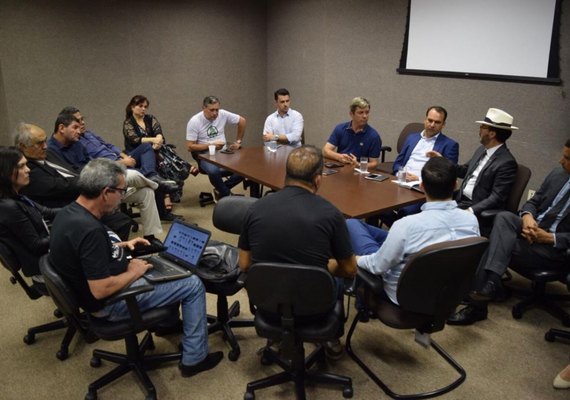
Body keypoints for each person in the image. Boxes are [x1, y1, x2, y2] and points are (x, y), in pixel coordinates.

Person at [48, 158, 223, 377]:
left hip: (91, 291)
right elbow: (100, 289)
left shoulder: (69, 213)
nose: (123, 197)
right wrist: (133, 272)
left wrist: (122, 245)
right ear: (105, 192)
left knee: (163, 268)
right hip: (108, 305)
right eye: (122, 191)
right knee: (192, 284)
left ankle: (166, 324)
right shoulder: (89, 230)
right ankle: (195, 359)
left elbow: (83, 251)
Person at [238, 145, 356, 358]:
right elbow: (349, 269)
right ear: (318, 179)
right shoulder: (331, 214)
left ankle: (276, 336)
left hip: (268, 304)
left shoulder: (255, 208)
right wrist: (325, 265)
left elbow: (244, 265)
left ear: (286, 175)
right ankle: (331, 337)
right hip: (316, 309)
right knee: (336, 279)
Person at [448, 140, 570, 325]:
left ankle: (479, 303)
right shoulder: (558, 174)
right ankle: (490, 286)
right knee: (504, 217)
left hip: (554, 250)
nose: (561, 161)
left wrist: (550, 238)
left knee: (494, 243)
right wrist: (528, 216)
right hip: (532, 230)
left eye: (567, 158)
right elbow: (534, 201)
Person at [347, 157, 480, 305]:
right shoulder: (471, 221)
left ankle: (363, 301)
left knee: (351, 224)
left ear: (422, 186)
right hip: (446, 294)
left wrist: (355, 259)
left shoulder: (406, 226)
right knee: (362, 228)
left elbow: (376, 266)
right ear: (455, 186)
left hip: (402, 295)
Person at [59, 106, 183, 222]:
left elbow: (108, 145)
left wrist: (124, 156)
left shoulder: (89, 133)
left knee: (146, 147)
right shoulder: (76, 144)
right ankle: (156, 182)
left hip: (120, 158)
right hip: (110, 169)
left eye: (82, 119)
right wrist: (121, 162)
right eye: (78, 121)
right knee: (148, 181)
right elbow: (95, 165)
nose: (82, 123)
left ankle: (152, 177)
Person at [15, 122, 130, 241]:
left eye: (45, 141)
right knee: (119, 221)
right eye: (39, 143)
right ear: (23, 146)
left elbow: (74, 168)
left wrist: (92, 175)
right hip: (68, 208)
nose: (45, 146)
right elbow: (61, 187)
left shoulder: (49, 154)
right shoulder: (25, 169)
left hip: (83, 196)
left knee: (123, 212)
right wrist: (92, 180)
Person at [439, 108, 518, 236]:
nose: (479, 130)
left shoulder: (506, 163)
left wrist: (470, 210)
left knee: (436, 226)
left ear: (492, 134)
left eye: (482, 127)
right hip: (460, 200)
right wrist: (442, 161)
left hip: (476, 208)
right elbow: (465, 171)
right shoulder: (482, 149)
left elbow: (496, 198)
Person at [382, 106, 458, 223]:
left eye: (437, 122)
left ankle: (400, 233)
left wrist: (420, 179)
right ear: (425, 120)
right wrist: (401, 174)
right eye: (430, 120)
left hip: (423, 189)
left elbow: (447, 176)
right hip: (401, 182)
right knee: (376, 203)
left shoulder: (449, 145)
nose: (432, 125)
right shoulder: (412, 138)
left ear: (443, 125)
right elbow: (398, 163)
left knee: (406, 211)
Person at [0, 146, 57, 277]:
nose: (28, 170)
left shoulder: (16, 195)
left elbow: (48, 212)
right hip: (45, 269)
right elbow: (36, 246)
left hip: (48, 257)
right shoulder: (8, 207)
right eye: (22, 166)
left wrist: (81, 207)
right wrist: (65, 231)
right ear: (5, 172)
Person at [186, 96, 246, 200]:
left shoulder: (222, 114)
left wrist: (238, 141)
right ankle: (228, 195)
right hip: (204, 154)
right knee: (214, 171)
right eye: (211, 110)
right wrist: (211, 145)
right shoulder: (194, 121)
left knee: (245, 167)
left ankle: (221, 190)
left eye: (217, 110)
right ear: (203, 108)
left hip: (223, 152)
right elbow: (190, 147)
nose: (215, 113)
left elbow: (242, 121)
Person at [322, 97, 382, 170]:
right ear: (351, 114)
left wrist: (358, 165)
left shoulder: (373, 136)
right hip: (341, 167)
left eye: (367, 112)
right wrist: (339, 157)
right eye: (360, 112)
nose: (365, 116)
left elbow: (374, 163)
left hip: (359, 171)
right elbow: (325, 151)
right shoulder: (340, 129)